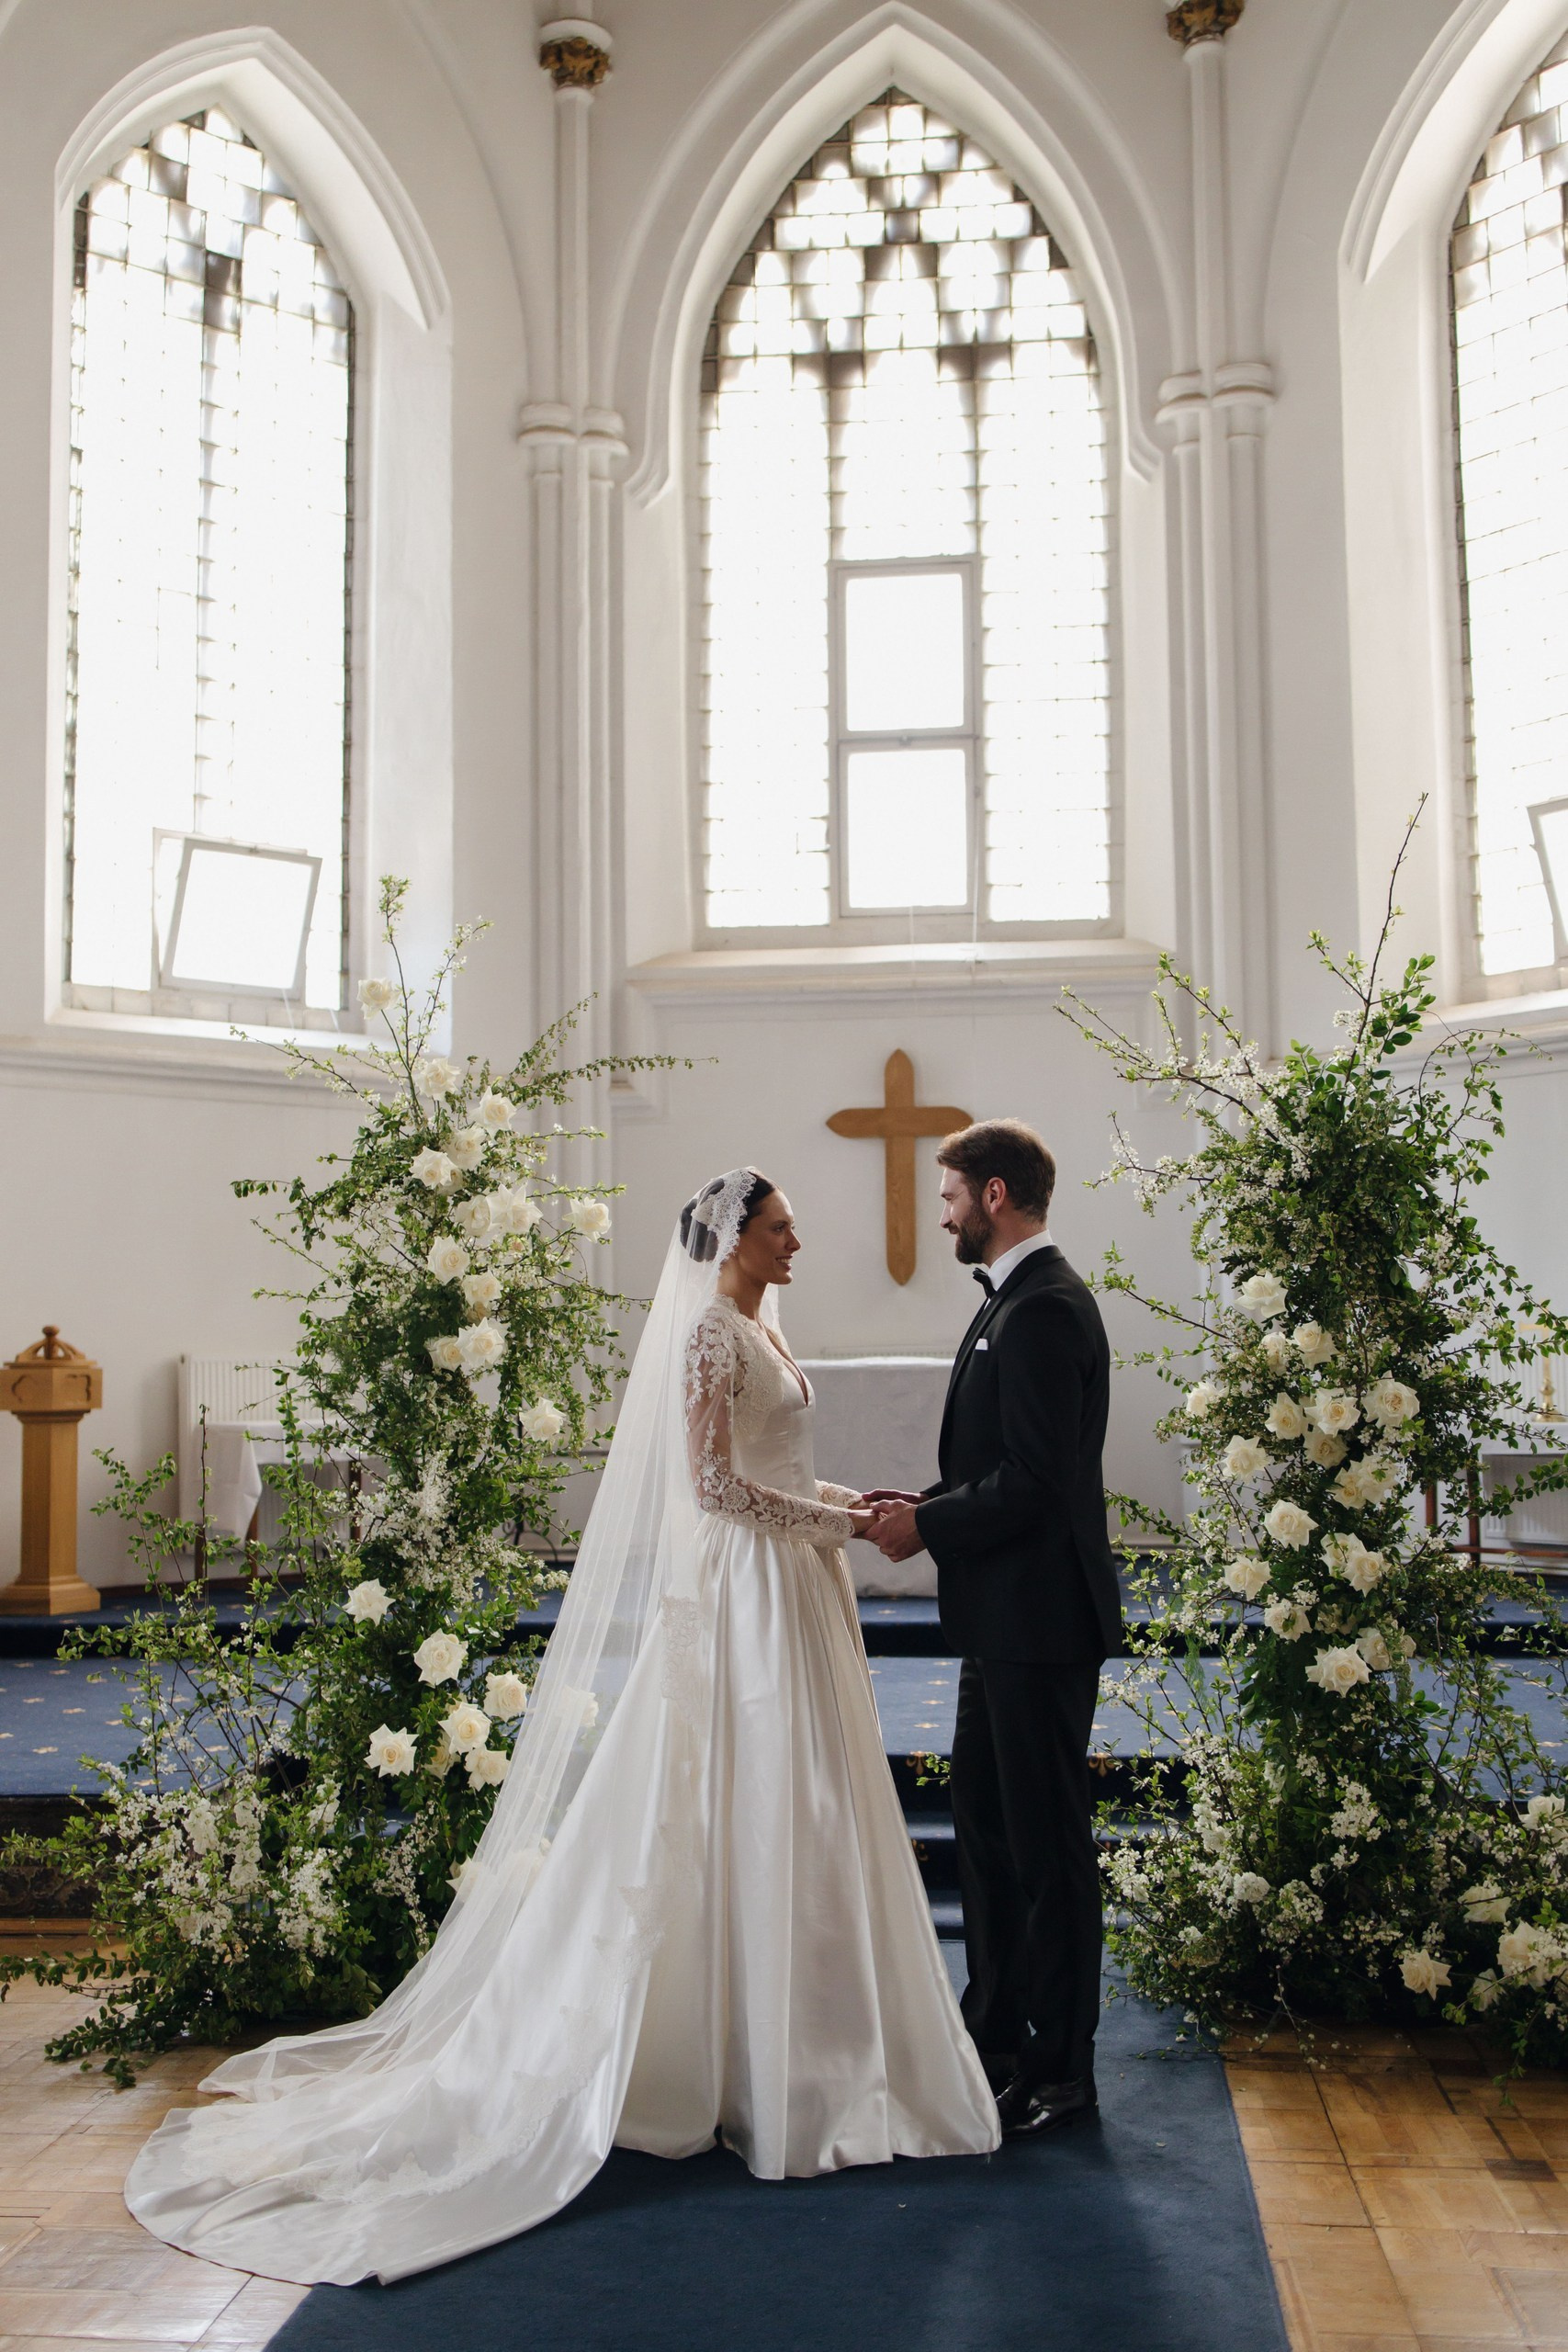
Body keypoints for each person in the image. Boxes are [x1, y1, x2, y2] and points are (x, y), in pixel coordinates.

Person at [124, 1169, 998, 2286]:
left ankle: (805, 2053)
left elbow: (777, 1464)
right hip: (749, 1588)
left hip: (792, 1588)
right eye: (781, 1228)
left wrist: (848, 1503)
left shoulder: (761, 1327)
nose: (797, 1243)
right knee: (749, 1787)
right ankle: (720, 2064)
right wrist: (840, 1524)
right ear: (734, 1237)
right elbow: (717, 1490)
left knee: (803, 1800)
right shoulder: (705, 1341)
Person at [866, 1120, 1122, 2137]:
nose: (944, 1214)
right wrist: (923, 1497)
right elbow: (1004, 1464)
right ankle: (1000, 2035)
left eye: (952, 1197)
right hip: (1004, 1620)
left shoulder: (1045, 1309)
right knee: (988, 1825)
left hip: (1040, 1623)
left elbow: (1038, 1481)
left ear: (996, 1194)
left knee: (1047, 1849)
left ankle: (1062, 2067)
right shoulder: (1014, 1304)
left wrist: (925, 1524)